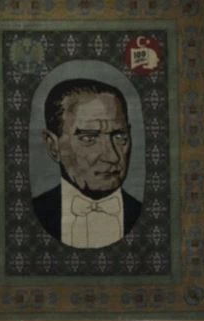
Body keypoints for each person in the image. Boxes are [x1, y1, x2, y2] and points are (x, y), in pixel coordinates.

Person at [33, 78, 141, 249]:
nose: (112, 157)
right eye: (88, 138)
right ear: (53, 146)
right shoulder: (34, 213)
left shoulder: (148, 215)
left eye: (120, 137)